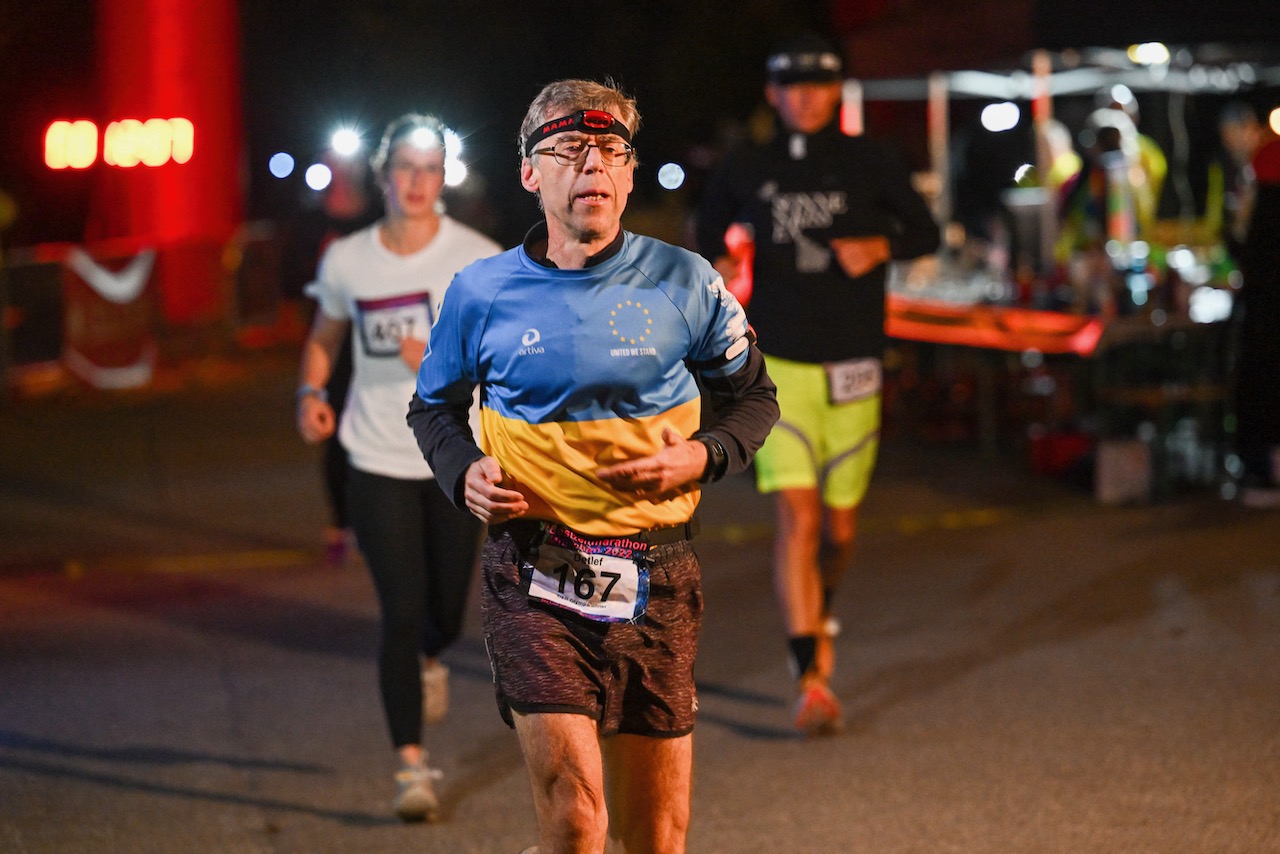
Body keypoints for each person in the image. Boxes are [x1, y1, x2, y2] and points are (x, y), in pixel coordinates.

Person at [408, 79, 778, 853]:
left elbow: (754, 400)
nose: (593, 167)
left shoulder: (687, 280)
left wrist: (701, 453)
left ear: (632, 172)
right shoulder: (481, 292)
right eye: (570, 151)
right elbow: (431, 409)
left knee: (656, 837)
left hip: (659, 571)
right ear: (529, 174)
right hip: (535, 571)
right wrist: (463, 470)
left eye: (611, 150)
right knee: (577, 820)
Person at [695, 33, 939, 736]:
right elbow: (705, 233)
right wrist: (711, 284)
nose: (805, 97)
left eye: (819, 85)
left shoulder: (870, 160)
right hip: (779, 370)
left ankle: (823, 608)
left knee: (838, 529)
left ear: (837, 92)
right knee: (797, 520)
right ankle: (811, 676)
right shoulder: (748, 164)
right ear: (773, 93)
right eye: (791, 85)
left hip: (856, 365)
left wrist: (882, 245)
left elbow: (926, 229)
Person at [295, 113, 501, 821]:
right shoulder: (348, 258)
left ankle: (434, 655)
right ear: (382, 176)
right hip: (374, 455)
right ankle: (411, 769)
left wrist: (443, 363)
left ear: (444, 178)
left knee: (444, 609)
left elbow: (510, 356)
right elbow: (325, 335)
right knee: (401, 610)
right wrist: (310, 392)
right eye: (404, 168)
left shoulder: (477, 257)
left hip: (454, 458)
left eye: (429, 169)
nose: (416, 181)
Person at [281, 147, 381, 564]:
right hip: (333, 339)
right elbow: (290, 279)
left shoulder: (380, 215)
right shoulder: (311, 221)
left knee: (382, 428)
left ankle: (383, 521)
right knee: (337, 432)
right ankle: (342, 522)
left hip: (379, 339)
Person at [1232, 110, 1280, 507]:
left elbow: (1242, 248)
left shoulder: (1260, 211)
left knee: (1261, 389)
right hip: (1264, 316)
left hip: (1260, 318)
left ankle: (1259, 472)